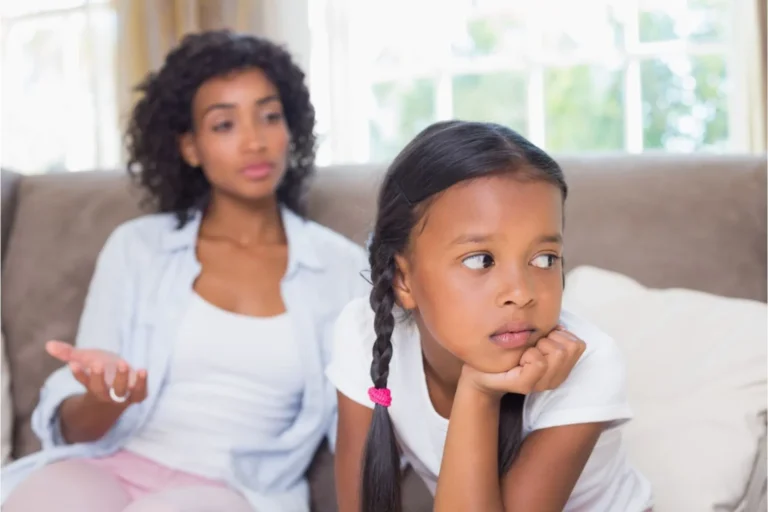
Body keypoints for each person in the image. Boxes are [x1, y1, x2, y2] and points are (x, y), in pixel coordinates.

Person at [2, 30, 368, 512]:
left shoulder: (340, 268)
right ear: (189, 147)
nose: (255, 141)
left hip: (234, 492)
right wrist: (109, 396)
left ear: (291, 128)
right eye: (224, 125)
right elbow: (75, 427)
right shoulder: (137, 247)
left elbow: (363, 435)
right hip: (108, 462)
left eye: (269, 116)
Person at [326, 120, 654, 512]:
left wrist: (479, 392)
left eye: (544, 258)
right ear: (403, 279)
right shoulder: (365, 334)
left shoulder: (589, 363)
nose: (521, 293)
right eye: (481, 260)